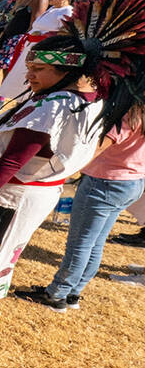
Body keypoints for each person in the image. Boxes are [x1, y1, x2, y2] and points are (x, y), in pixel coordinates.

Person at [0, 0, 145, 345]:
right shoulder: (83, 101)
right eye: (30, 68)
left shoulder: (54, 107)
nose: (30, 76)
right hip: (28, 194)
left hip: (9, 196)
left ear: (66, 70)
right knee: (6, 252)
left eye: (39, 69)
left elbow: (13, 159)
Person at [15, 112, 145, 311]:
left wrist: (64, 170)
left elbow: (97, 149)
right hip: (131, 182)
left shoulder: (127, 117)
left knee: (81, 242)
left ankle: (57, 293)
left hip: (105, 181)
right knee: (94, 241)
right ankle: (72, 291)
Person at [0, 0, 76, 101]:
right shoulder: (53, 9)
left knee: (32, 76)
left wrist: (46, 35)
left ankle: (25, 101)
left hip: (43, 49)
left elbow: (65, 33)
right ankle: (15, 101)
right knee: (20, 75)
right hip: (31, 46)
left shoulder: (67, 12)